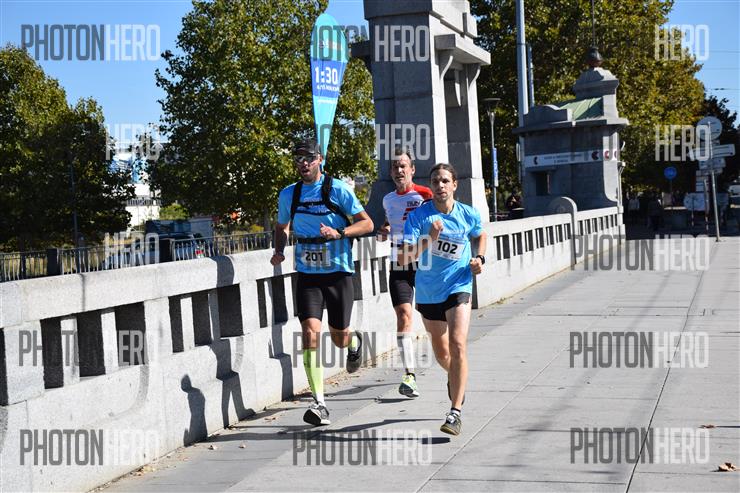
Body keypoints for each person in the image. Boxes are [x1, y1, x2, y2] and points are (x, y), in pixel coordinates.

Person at [271, 138, 374, 426]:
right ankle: (319, 403)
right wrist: (279, 250)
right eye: (298, 159)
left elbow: (367, 223)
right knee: (309, 333)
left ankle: (353, 341)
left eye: (309, 158)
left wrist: (340, 233)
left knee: (339, 336)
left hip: (338, 271)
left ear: (320, 160)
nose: (303, 163)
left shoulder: (337, 189)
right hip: (307, 273)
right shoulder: (289, 194)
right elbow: (281, 226)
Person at [398, 163, 487, 436]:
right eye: (435, 181)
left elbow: (480, 233)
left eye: (445, 181)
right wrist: (429, 238)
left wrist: (480, 258)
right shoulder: (419, 216)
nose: (440, 186)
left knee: (458, 344)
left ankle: (455, 412)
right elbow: (404, 257)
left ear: (454, 185)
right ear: (431, 186)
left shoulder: (467, 214)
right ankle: (455, 376)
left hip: (459, 284)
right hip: (428, 291)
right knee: (443, 354)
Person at [377, 147, 433, 398]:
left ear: (412, 170)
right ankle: (409, 375)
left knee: (433, 318)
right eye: (395, 166)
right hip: (399, 262)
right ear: (391, 172)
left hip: (425, 262)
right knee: (403, 315)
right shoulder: (388, 199)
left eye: (403, 166)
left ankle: (447, 355)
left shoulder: (425, 194)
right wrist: (385, 230)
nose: (399, 170)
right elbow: (390, 222)